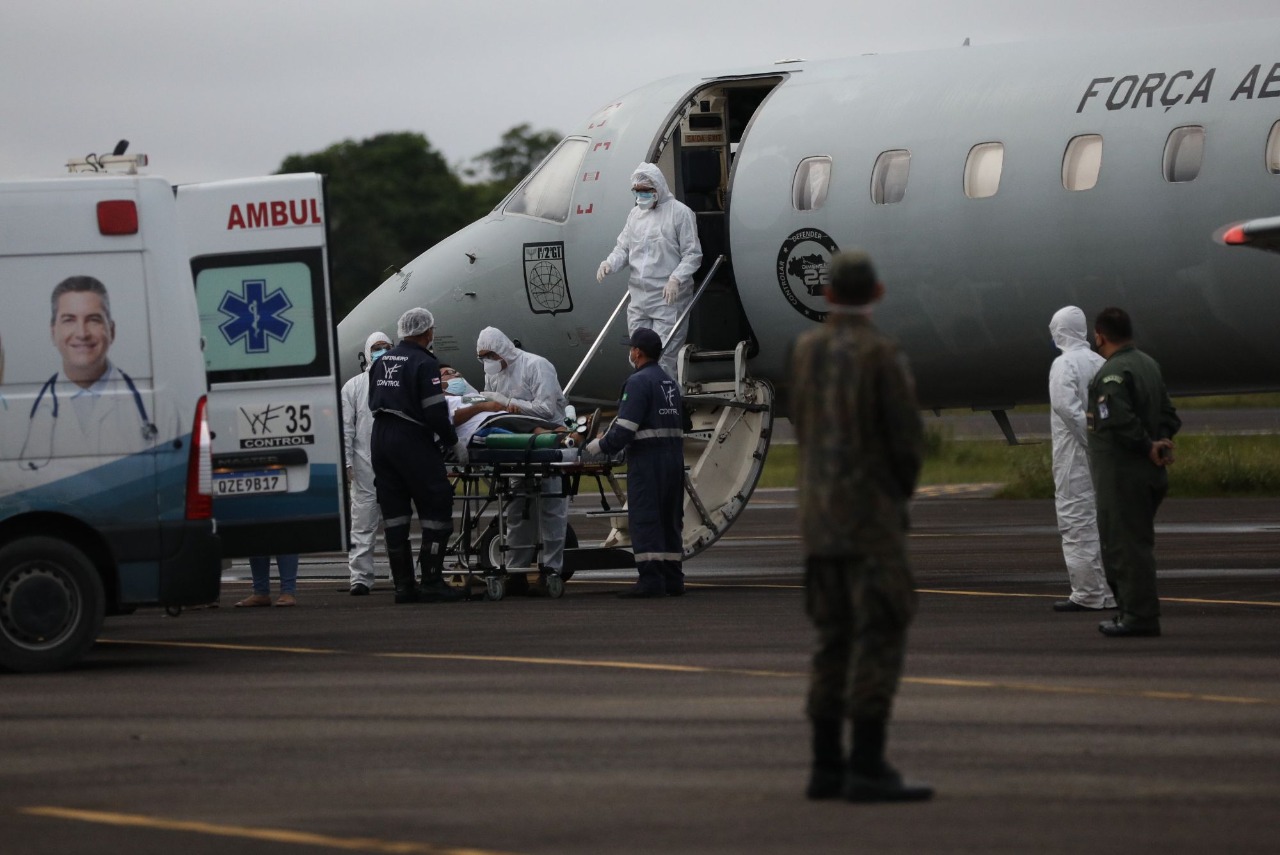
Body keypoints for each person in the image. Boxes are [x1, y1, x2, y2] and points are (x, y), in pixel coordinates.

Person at [789, 251, 932, 803]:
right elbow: (905, 442)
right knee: (878, 637)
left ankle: (825, 765)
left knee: (831, 640)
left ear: (827, 295)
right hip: (870, 521)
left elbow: (802, 423)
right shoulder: (881, 354)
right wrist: (896, 495)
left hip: (820, 520)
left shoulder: (804, 352)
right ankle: (867, 764)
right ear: (877, 292)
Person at [1087, 307, 1180, 638]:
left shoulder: (1112, 372)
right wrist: (1162, 439)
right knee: (1134, 544)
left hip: (1125, 475)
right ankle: (1132, 612)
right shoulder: (1148, 364)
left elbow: (1115, 417)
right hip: (1151, 475)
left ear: (1100, 336)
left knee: (1125, 548)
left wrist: (1145, 446)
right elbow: (1169, 412)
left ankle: (1138, 616)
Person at [368, 308, 466, 604]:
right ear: (427, 333)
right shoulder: (424, 363)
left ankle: (403, 586)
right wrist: (452, 441)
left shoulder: (381, 361)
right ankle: (432, 581)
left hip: (380, 437)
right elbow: (435, 410)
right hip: (410, 437)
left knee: (395, 514)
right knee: (437, 503)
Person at [20, 276, 162, 468]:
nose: (82, 333)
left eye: (93, 320)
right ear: (53, 332)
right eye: (69, 320)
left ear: (111, 330)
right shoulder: (20, 415)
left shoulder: (162, 409)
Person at [585, 328, 686, 598]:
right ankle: (673, 578)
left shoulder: (638, 382)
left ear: (638, 352)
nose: (630, 352)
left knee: (646, 519)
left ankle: (651, 580)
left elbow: (626, 428)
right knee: (670, 518)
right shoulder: (668, 382)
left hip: (648, 461)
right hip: (674, 460)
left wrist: (600, 446)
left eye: (631, 348)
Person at [475, 327, 570, 585]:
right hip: (518, 444)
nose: (487, 362)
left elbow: (548, 411)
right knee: (518, 510)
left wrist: (506, 404)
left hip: (548, 442)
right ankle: (516, 570)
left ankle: (552, 569)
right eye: (482, 357)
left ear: (502, 350)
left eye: (489, 355)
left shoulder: (536, 366)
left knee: (552, 509)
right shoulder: (493, 374)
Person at [596, 163, 703, 379]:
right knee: (638, 357)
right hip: (639, 298)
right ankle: (647, 405)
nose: (640, 195)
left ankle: (667, 407)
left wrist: (676, 279)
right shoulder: (635, 215)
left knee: (663, 358)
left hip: (668, 298)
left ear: (658, 188)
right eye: (637, 191)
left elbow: (693, 254)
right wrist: (610, 263)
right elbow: (624, 248)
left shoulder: (680, 213)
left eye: (645, 191)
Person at [1047, 306, 1115, 613]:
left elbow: (1066, 408)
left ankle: (1088, 592)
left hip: (1075, 455)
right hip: (1104, 454)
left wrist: (1090, 441)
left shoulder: (1063, 365)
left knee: (1076, 523)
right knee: (1104, 523)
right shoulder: (1101, 362)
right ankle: (1110, 592)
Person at [340, 331, 392, 596]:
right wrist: (347, 463)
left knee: (397, 523)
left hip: (394, 464)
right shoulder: (354, 386)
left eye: (386, 347)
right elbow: (346, 429)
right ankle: (360, 578)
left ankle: (401, 574)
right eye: (377, 347)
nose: (382, 351)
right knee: (362, 524)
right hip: (364, 466)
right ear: (367, 352)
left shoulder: (398, 381)